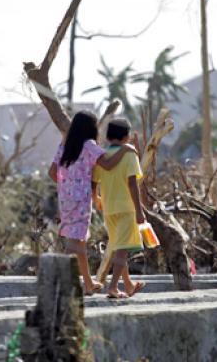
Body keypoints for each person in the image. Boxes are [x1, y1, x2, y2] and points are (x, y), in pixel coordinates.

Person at [48, 111, 134, 296]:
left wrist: (67, 183)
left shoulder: (64, 145)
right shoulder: (89, 145)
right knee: (75, 242)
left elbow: (52, 172)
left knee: (77, 239)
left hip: (66, 198)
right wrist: (125, 149)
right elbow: (108, 164)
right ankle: (61, 281)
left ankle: (87, 283)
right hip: (81, 198)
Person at [93, 118, 146, 299]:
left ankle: (129, 285)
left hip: (108, 209)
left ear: (108, 136)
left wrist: (96, 199)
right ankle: (113, 287)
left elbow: (94, 183)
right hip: (126, 208)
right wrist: (139, 211)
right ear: (126, 136)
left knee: (118, 248)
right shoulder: (129, 154)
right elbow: (132, 184)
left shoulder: (102, 156)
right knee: (122, 250)